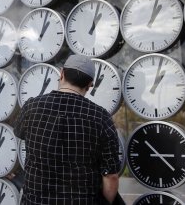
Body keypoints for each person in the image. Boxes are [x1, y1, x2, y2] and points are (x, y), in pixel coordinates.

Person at [14, 55, 120, 204]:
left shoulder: (31, 107)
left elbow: (19, 132)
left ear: (62, 74)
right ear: (90, 84)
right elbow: (111, 176)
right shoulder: (101, 117)